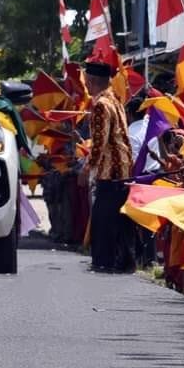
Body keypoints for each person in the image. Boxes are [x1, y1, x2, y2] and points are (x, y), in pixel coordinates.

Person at [80, 61, 134, 273]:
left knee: (103, 222)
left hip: (110, 173)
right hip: (122, 171)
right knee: (118, 223)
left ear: (92, 82)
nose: (86, 86)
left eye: (86, 82)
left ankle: (104, 263)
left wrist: (87, 170)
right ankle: (122, 263)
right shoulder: (116, 101)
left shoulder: (102, 105)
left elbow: (99, 143)